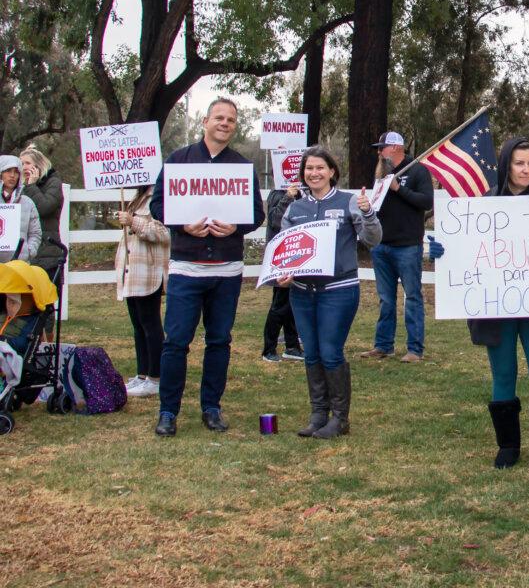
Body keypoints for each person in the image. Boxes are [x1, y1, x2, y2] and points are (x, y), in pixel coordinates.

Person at [429, 137, 529, 472]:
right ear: (506, 165)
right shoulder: (479, 206)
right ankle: (508, 445)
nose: (525, 169)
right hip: (496, 307)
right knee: (503, 374)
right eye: (519, 163)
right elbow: (464, 251)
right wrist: (443, 253)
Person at [149, 98, 265, 437]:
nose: (225, 123)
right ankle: (168, 411)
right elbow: (158, 203)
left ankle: (211, 407)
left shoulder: (242, 167)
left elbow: (256, 214)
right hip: (187, 268)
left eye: (231, 119)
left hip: (226, 270)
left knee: (219, 341)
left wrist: (237, 227)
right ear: (205, 121)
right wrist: (183, 225)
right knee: (176, 342)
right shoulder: (178, 160)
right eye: (219, 117)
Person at [278, 146, 382, 439]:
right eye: (309, 169)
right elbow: (285, 249)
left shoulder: (349, 202)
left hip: (338, 290)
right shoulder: (295, 208)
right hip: (301, 292)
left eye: (320, 168)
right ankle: (317, 414)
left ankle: (340, 418)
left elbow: (373, 239)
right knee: (311, 352)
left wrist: (368, 212)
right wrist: (282, 274)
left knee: (330, 351)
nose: (314, 173)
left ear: (332, 172)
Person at [360, 131, 434, 363]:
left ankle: (414, 349)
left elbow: (426, 202)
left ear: (395, 148)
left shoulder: (418, 171)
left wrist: (398, 188)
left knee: (412, 296)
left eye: (382, 147)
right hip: (382, 245)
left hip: (407, 245)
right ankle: (383, 345)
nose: (379, 152)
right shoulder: (382, 173)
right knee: (386, 298)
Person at [116, 185, 170, 398]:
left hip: (148, 271)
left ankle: (155, 377)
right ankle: (142, 373)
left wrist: (133, 222)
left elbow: (164, 233)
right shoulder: (137, 198)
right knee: (138, 325)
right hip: (132, 271)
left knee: (150, 325)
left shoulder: (158, 198)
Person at [261, 185, 303, 362]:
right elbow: (275, 221)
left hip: (294, 254)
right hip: (282, 257)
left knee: (289, 305)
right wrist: (288, 196)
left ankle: (292, 346)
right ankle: (268, 349)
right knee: (279, 306)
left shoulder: (299, 193)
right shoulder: (278, 194)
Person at [20, 146, 65, 284]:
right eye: (21, 164)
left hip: (47, 253)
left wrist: (31, 186)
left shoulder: (54, 183)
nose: (24, 167)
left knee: (45, 301)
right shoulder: (22, 186)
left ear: (38, 165)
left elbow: (44, 208)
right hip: (26, 253)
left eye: (27, 163)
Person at [0, 155, 41, 263]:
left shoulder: (27, 203)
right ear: (1, 174)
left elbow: (35, 233)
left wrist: (28, 252)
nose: (12, 175)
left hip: (20, 265)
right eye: (8, 171)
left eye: (16, 172)